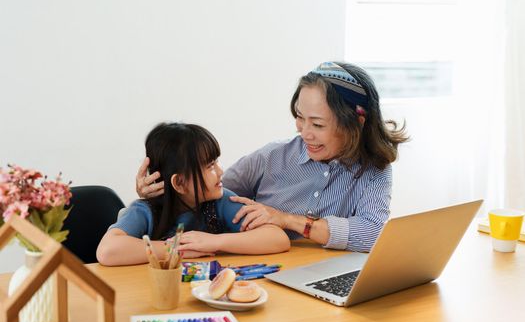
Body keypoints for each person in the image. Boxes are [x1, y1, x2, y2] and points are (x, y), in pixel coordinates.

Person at [136, 61, 408, 252]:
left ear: (356, 124)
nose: (304, 132)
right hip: (264, 273)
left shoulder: (375, 170)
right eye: (300, 118)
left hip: (327, 275)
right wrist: (162, 194)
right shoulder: (271, 157)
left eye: (318, 124)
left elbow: (372, 234)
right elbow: (204, 193)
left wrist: (286, 219)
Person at [97, 122, 290, 266]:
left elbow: (277, 238)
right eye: (209, 166)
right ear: (179, 183)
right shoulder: (146, 211)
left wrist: (213, 242)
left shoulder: (220, 202)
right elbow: (107, 251)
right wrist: (176, 249)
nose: (221, 171)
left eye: (216, 162)